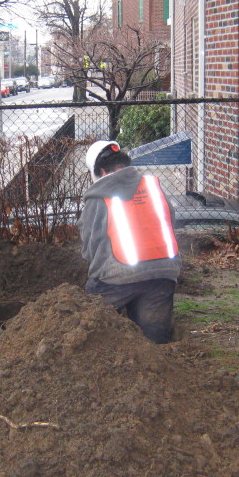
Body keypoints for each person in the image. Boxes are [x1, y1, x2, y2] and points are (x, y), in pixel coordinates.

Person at [78, 140, 181, 344]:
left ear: (101, 171)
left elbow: (89, 246)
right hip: (164, 273)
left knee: (89, 324)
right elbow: (171, 219)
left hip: (117, 277)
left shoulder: (99, 196)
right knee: (155, 338)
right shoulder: (152, 185)